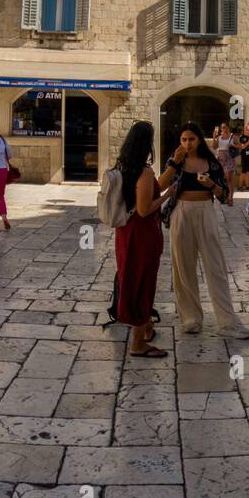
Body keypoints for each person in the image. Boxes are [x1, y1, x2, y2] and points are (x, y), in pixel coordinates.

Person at [165, 121, 249, 340]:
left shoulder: (211, 162)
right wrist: (174, 164)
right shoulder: (175, 161)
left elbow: (223, 195)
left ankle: (227, 321)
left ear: (199, 140)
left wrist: (211, 185)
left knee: (216, 265)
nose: (187, 143)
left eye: (191, 139)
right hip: (182, 212)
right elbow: (161, 185)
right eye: (184, 139)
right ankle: (190, 318)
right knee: (183, 266)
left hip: (205, 210)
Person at [112, 121, 177, 357]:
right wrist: (168, 195)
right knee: (142, 282)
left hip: (126, 233)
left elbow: (146, 192)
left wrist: (171, 168)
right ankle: (138, 344)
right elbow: (144, 208)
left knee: (131, 276)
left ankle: (146, 327)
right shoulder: (144, 171)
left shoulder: (123, 167)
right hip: (142, 235)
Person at [213, 122, 238, 205]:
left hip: (229, 159)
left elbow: (239, 146)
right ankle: (225, 197)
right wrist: (214, 138)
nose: (223, 129)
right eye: (222, 127)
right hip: (220, 159)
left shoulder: (233, 136)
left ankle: (230, 197)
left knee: (229, 179)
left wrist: (233, 146)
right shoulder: (219, 137)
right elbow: (214, 147)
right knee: (222, 179)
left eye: (224, 127)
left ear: (228, 128)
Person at [237, 124, 249, 192]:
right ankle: (241, 186)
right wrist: (248, 142)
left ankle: (248, 185)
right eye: (247, 130)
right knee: (244, 172)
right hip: (245, 157)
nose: (248, 131)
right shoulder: (242, 137)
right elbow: (242, 147)